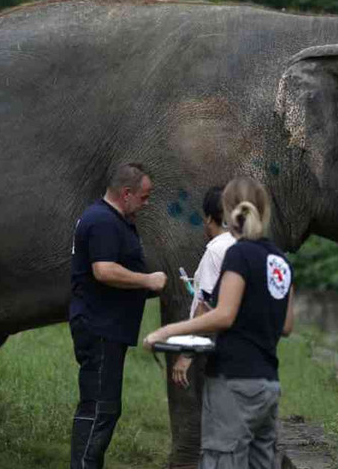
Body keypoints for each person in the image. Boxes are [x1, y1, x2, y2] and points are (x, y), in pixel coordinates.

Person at [145, 176, 295, 469]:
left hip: (234, 381)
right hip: (268, 385)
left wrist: (167, 330)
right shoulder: (279, 259)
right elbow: (287, 325)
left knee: (222, 461)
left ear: (227, 213)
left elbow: (223, 314)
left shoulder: (237, 253)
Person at [69, 162, 167, 469]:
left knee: (104, 408)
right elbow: (104, 270)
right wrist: (147, 280)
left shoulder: (117, 221)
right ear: (126, 193)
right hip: (99, 327)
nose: (146, 203)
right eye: (144, 196)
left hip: (109, 328)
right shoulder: (102, 221)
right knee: (100, 408)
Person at [172, 185, 236, 389]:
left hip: (221, 350)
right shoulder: (249, 246)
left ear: (208, 218)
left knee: (219, 416)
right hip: (251, 353)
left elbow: (204, 307)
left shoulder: (215, 251)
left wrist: (186, 355)